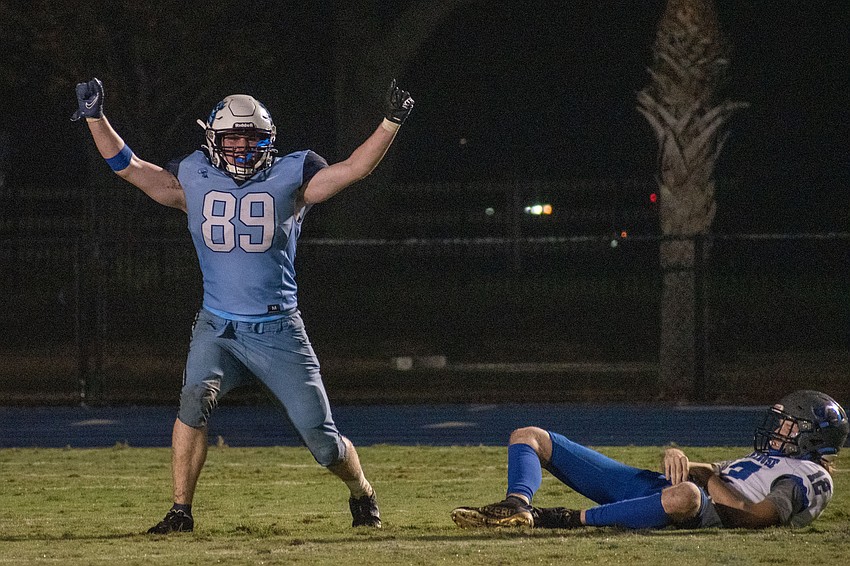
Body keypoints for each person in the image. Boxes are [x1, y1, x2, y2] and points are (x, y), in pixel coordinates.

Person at [71, 77, 414, 534]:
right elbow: (129, 167)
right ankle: (180, 511)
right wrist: (96, 117)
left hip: (278, 330)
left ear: (267, 142)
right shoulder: (194, 174)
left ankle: (362, 491)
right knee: (192, 403)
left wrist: (390, 122)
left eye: (250, 138)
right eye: (232, 137)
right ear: (214, 140)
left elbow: (354, 169)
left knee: (323, 441)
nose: (239, 147)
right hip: (218, 326)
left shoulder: (293, 174)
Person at [452, 390, 848, 530]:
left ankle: (560, 518)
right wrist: (683, 460)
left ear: (813, 437)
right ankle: (516, 505)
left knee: (687, 497)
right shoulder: (771, 459)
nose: (779, 431)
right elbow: (717, 475)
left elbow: (755, 514)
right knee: (529, 437)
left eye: (790, 427)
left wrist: (704, 478)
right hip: (659, 490)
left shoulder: (809, 477)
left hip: (691, 507)